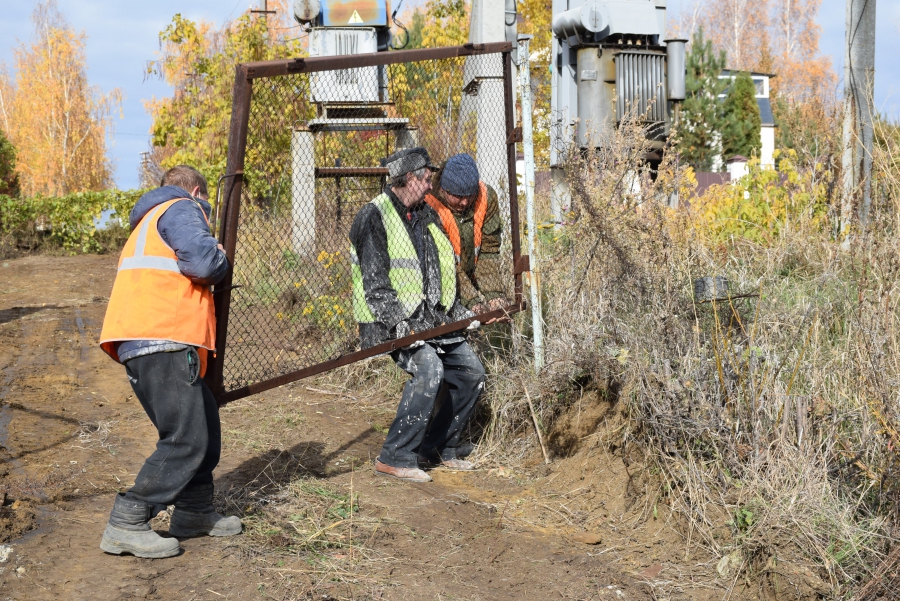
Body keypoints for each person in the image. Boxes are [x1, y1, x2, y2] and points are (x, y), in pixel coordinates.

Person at [97, 165, 241, 558]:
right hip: (163, 336)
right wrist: (220, 255)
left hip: (152, 337)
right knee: (185, 438)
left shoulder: (150, 218)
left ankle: (194, 511)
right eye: (207, 208)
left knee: (204, 429)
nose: (206, 215)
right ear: (196, 191)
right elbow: (203, 264)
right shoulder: (181, 207)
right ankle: (127, 520)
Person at [349, 147, 486, 483]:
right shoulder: (373, 217)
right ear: (408, 178)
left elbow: (438, 278)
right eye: (426, 178)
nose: (430, 186)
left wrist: (462, 314)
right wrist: (403, 326)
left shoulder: (425, 215)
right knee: (429, 368)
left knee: (472, 373)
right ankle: (395, 456)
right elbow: (376, 288)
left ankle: (438, 447)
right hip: (387, 323)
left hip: (429, 321)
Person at [425, 153, 508, 315]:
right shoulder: (428, 204)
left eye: (470, 196)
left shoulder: (486, 197)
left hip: (469, 276)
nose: (464, 202)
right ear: (443, 189)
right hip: (442, 284)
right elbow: (446, 264)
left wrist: (494, 296)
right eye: (457, 196)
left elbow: (488, 251)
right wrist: (473, 302)